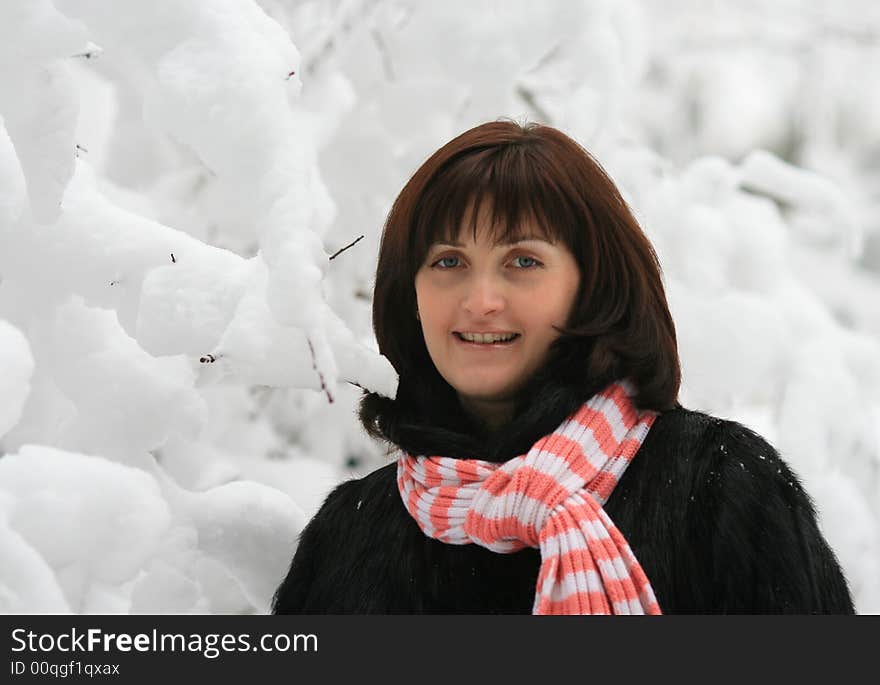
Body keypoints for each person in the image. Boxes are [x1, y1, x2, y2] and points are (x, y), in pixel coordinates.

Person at [272, 120, 855, 614]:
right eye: (448, 261)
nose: (480, 300)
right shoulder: (350, 536)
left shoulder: (721, 486)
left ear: (595, 287)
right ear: (409, 292)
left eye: (522, 260)